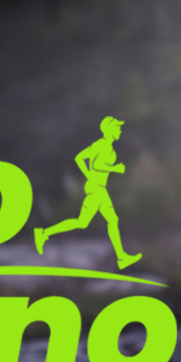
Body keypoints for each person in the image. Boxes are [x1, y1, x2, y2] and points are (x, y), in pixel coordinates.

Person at [34, 115, 143, 269]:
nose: (119, 129)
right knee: (97, 221)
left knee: (96, 221)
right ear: (108, 130)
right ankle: (44, 233)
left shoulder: (102, 145)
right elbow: (97, 165)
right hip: (96, 188)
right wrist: (114, 168)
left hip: (97, 187)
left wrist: (88, 175)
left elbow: (80, 158)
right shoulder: (103, 146)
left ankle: (121, 258)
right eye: (116, 127)